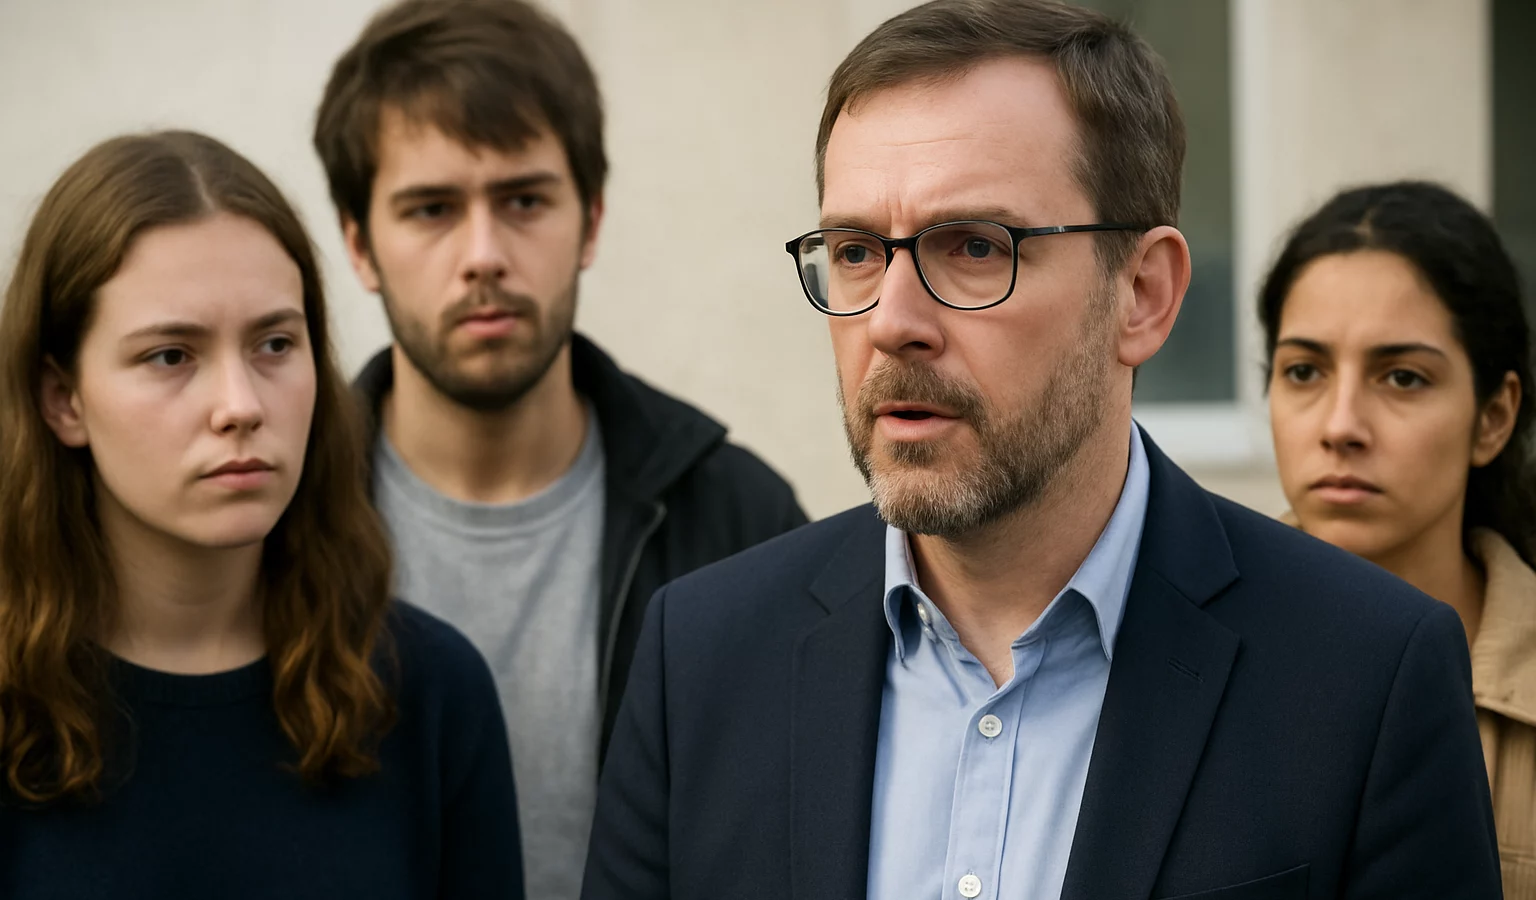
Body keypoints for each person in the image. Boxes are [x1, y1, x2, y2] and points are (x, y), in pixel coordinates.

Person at [581, 2, 1501, 898]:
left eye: (975, 247)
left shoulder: (1367, 674)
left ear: (1143, 294)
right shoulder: (699, 658)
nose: (892, 322)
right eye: (856, 251)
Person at [312, 2, 807, 896]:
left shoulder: (737, 519)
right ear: (359, 243)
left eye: (524, 201)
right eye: (431, 209)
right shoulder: (280, 523)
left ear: (591, 219)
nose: (483, 255)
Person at [0, 131, 521, 898]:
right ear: (62, 398)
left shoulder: (429, 694)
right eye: (171, 356)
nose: (240, 405)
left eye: (275, 344)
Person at [1262, 180, 1536, 897]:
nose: (1341, 425)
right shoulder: (1161, 648)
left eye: (1404, 378)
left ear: (1493, 417)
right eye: (1304, 371)